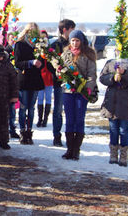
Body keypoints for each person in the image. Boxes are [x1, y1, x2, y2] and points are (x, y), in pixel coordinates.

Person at [61, 30, 97, 160]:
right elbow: (59, 71)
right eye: (72, 40)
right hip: (68, 91)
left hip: (82, 92)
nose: (74, 43)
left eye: (77, 40)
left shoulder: (88, 55)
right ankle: (69, 149)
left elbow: (92, 74)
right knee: (69, 119)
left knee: (79, 120)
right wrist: (61, 74)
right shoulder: (66, 54)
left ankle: (76, 149)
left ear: (81, 41)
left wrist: (87, 88)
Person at [100, 57, 128, 166]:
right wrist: (112, 78)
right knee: (113, 128)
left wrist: (124, 73)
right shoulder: (110, 62)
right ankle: (113, 153)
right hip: (112, 100)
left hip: (126, 101)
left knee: (124, 128)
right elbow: (102, 78)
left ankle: (123, 155)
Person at [14, 23, 45, 145]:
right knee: (23, 108)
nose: (31, 33)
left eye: (34, 31)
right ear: (26, 31)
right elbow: (17, 62)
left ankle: (29, 132)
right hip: (24, 80)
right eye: (29, 31)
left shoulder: (40, 45)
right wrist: (30, 62)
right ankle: (22, 132)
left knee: (31, 108)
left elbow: (43, 60)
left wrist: (40, 62)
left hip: (35, 80)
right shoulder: (20, 44)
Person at [50, 19, 76, 146]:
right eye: (72, 29)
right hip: (60, 82)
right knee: (58, 110)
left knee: (72, 110)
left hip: (75, 81)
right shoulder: (56, 44)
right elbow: (51, 64)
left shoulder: (76, 43)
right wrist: (60, 72)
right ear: (65, 29)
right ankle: (57, 135)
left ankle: (72, 136)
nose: (73, 32)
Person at [36, 30, 54, 128]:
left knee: (48, 98)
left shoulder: (50, 50)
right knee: (40, 98)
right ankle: (39, 118)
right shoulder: (37, 50)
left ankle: (45, 119)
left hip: (49, 77)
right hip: (40, 77)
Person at [5, 32, 20, 139]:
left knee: (13, 109)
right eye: (11, 38)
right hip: (5, 84)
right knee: (6, 110)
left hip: (15, 82)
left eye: (15, 38)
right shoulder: (6, 51)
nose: (13, 40)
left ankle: (12, 129)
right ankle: (5, 129)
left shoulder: (18, 50)